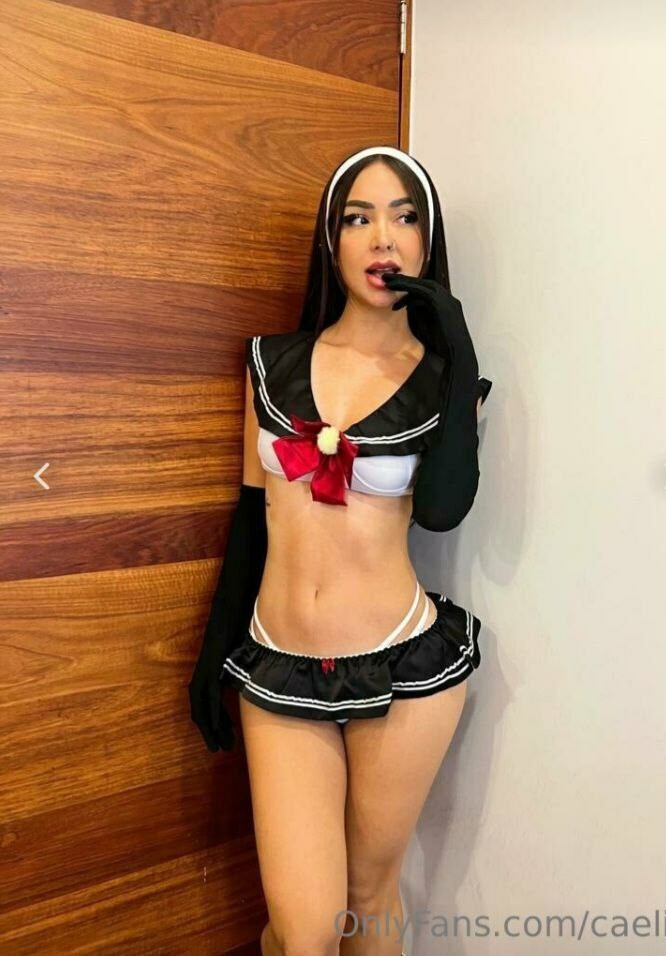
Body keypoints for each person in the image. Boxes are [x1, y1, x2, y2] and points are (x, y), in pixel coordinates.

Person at [189, 145, 493, 956]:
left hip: (402, 670)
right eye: (359, 217)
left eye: (404, 217)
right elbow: (250, 518)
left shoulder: (443, 380)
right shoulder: (270, 364)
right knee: (305, 929)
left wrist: (457, 353)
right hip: (279, 662)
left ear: (426, 242)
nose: (382, 237)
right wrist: (213, 653)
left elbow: (442, 512)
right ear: (331, 241)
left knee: (367, 897)